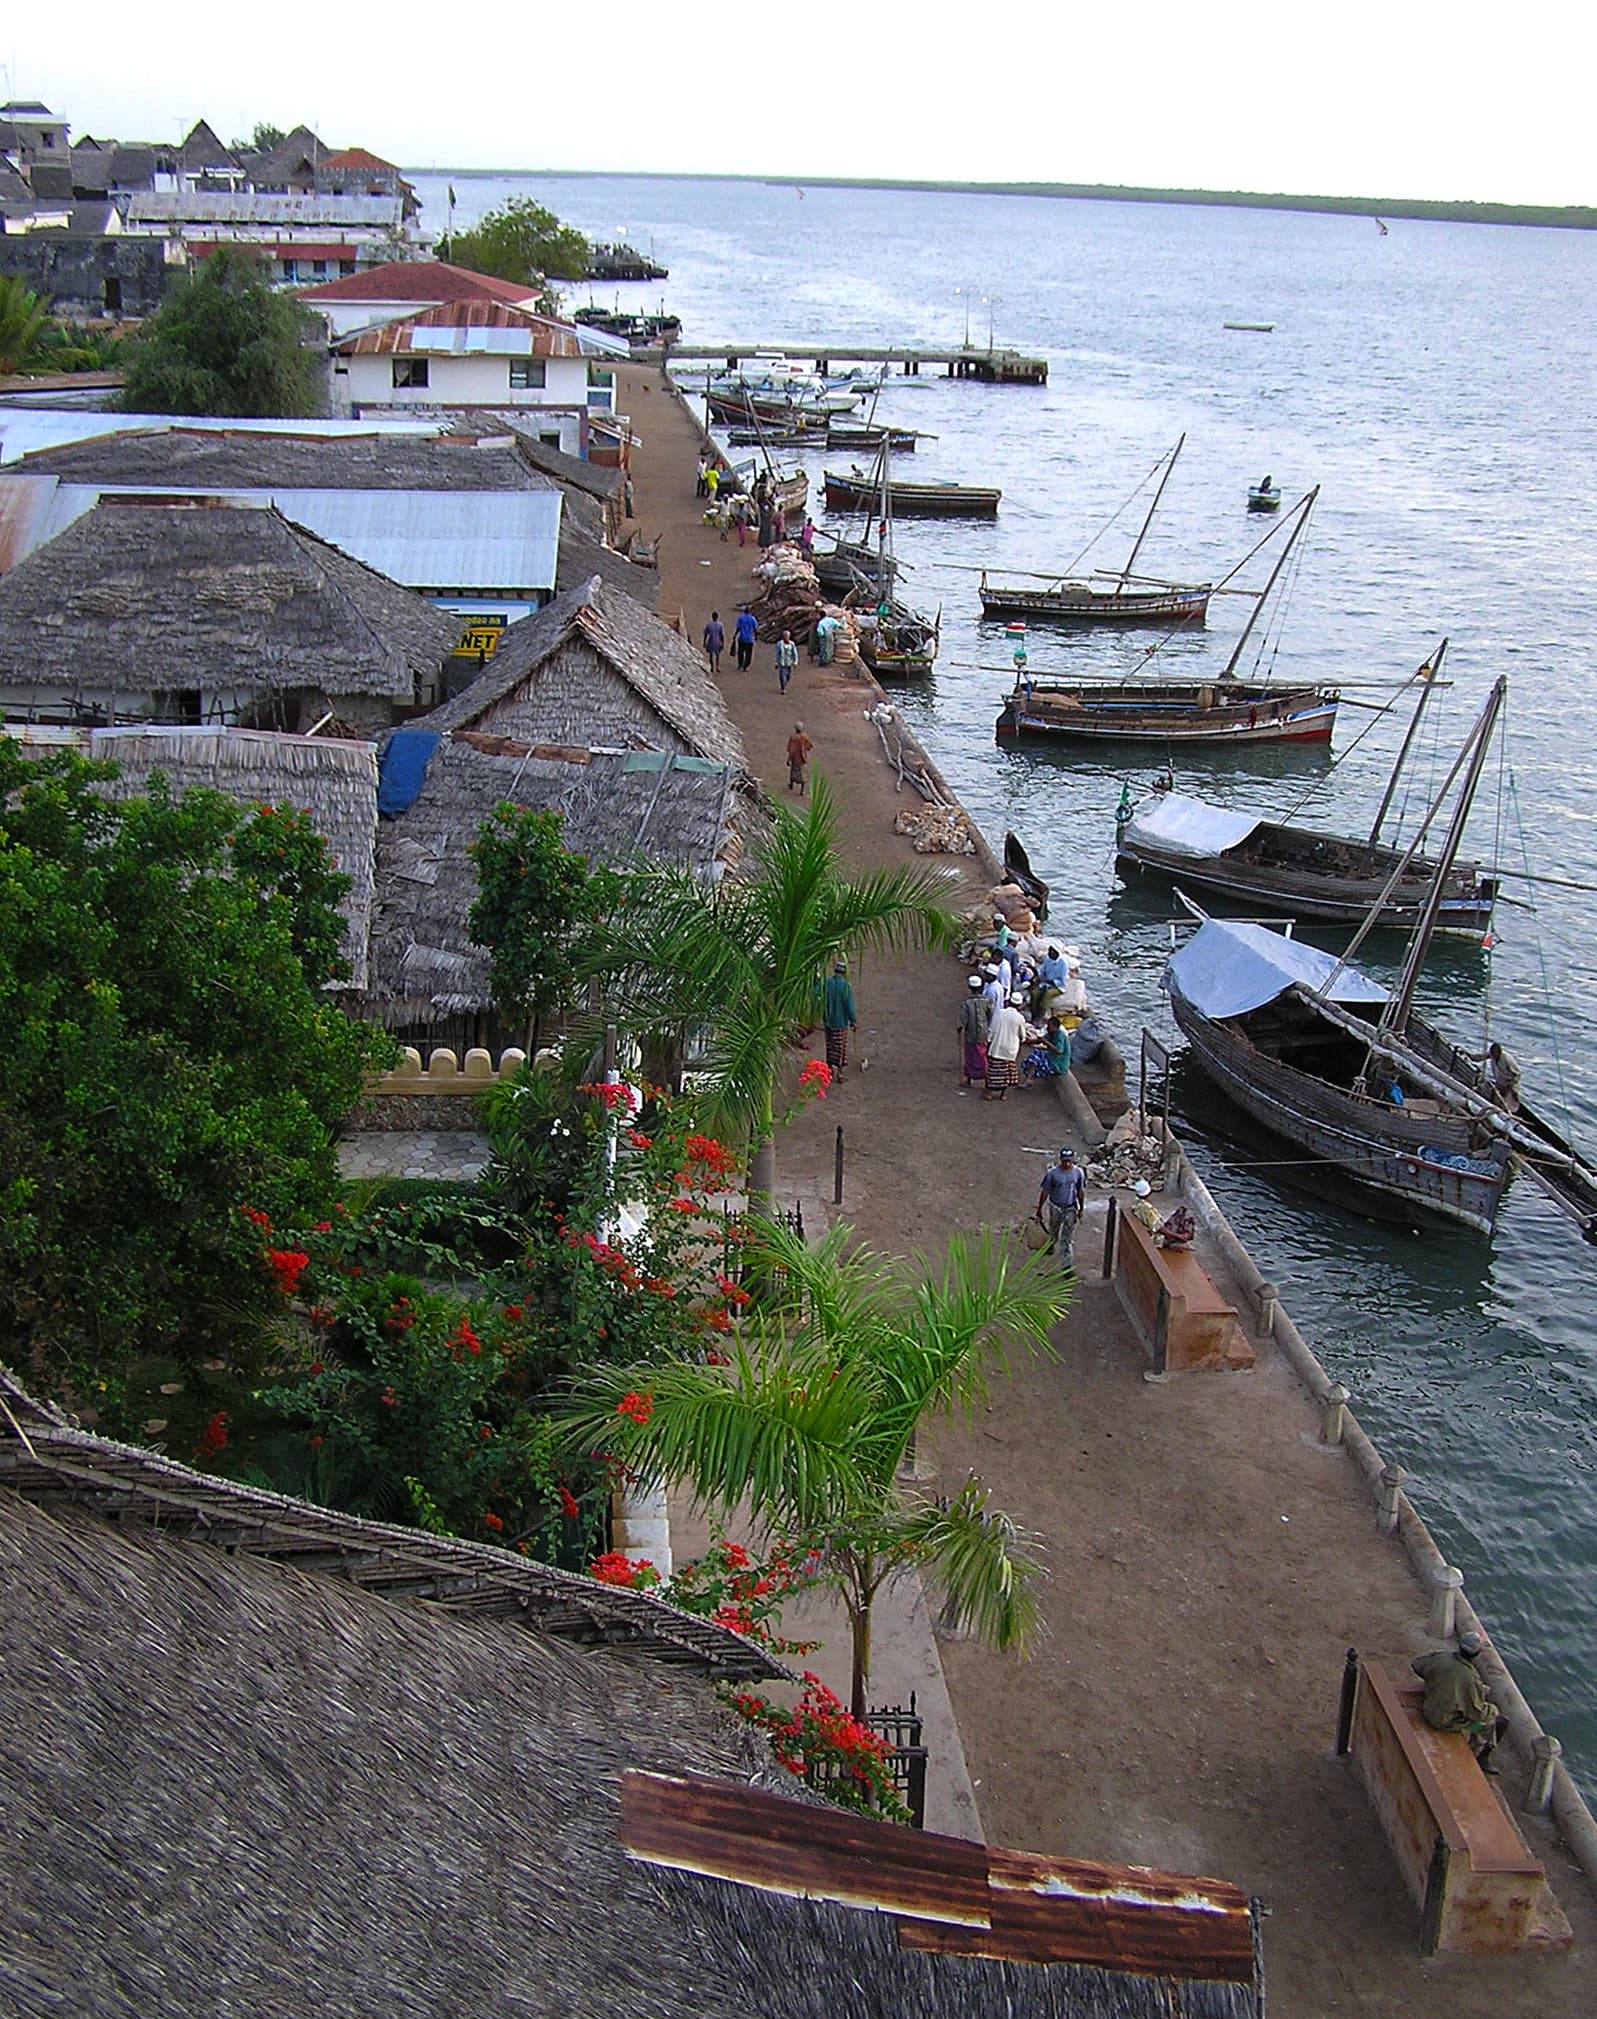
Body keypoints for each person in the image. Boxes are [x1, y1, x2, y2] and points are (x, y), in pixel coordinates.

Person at [1413, 1632, 1511, 1774]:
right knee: (1499, 1722)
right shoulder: (1471, 1678)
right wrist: (1493, 1709)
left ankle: (1476, 1743)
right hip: (1444, 1721)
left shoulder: (1441, 1657)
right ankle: (1482, 1758)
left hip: (1429, 1704)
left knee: (1481, 1694)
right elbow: (1477, 1713)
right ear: (1476, 1654)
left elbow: (1416, 1665)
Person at [1037, 1146, 1086, 1259]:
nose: (1067, 1164)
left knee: (1067, 1237)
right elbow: (1045, 1192)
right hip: (1056, 1207)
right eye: (1065, 1161)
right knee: (1054, 1229)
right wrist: (1039, 1209)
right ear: (1061, 1160)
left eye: (1069, 1161)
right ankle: (1050, 1244)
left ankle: (1067, 1264)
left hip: (1070, 1208)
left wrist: (1081, 1208)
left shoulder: (1078, 1173)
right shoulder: (1052, 1174)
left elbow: (1080, 1191)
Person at [984, 992, 1027, 1101]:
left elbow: (992, 1029)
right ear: (1019, 1005)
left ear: (1009, 1002)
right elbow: (1023, 1036)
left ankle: (988, 1092)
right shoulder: (1020, 1018)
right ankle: (1003, 1094)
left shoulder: (999, 1013)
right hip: (1010, 1049)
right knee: (1006, 1074)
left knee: (994, 1071)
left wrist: (989, 1041)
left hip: (997, 1046)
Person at [823, 958, 857, 1074]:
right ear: (844, 973)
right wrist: (853, 1021)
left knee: (830, 1045)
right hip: (841, 1022)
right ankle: (840, 1073)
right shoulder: (846, 986)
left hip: (828, 1020)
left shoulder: (827, 983)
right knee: (840, 1047)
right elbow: (849, 1005)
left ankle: (829, 1069)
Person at [1022, 1014, 1071, 1084]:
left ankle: (1029, 1079)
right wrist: (1027, 1041)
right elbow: (1040, 1040)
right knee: (1034, 1058)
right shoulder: (1051, 1034)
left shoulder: (1060, 1035)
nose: (1047, 1028)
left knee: (1037, 1055)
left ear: (1054, 1027)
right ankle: (1029, 1079)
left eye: (1049, 1026)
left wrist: (1046, 1042)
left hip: (1058, 1064)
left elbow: (1059, 1051)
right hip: (1052, 1059)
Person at [959, 973, 989, 1088]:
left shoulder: (967, 1003)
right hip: (983, 1033)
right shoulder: (987, 1001)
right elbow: (989, 1015)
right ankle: (986, 1079)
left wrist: (961, 1027)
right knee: (982, 1055)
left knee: (970, 1056)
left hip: (970, 1034)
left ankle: (969, 1079)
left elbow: (963, 1019)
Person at [1486, 1040, 1523, 1113]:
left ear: (1499, 1053)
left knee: (1509, 1106)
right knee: (1497, 1099)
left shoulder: (1507, 1059)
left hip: (1510, 1084)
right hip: (1500, 1082)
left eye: (1494, 1055)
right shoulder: (1492, 1055)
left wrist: (1510, 1086)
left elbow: (1518, 1075)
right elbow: (1480, 1057)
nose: (1493, 1057)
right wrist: (1470, 1056)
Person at [786, 720, 813, 795]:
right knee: (802, 774)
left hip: (795, 758)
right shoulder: (805, 736)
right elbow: (809, 745)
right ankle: (802, 791)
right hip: (802, 758)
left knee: (793, 772)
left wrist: (788, 759)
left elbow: (791, 749)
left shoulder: (793, 737)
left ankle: (791, 784)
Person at [733, 607, 758, 672]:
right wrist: (756, 636)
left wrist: (735, 635)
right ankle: (746, 666)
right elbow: (755, 628)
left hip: (741, 638)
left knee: (740, 652)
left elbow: (738, 627)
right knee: (748, 654)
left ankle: (740, 664)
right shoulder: (752, 619)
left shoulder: (741, 618)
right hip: (749, 639)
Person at [775, 629, 799, 694]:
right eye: (785, 636)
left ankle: (785, 684)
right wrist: (776, 662)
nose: (786, 637)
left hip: (789, 663)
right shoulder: (779, 644)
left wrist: (795, 662)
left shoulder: (792, 644)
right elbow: (777, 654)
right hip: (782, 663)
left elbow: (795, 653)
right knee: (782, 676)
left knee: (788, 677)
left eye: (787, 636)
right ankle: (783, 688)